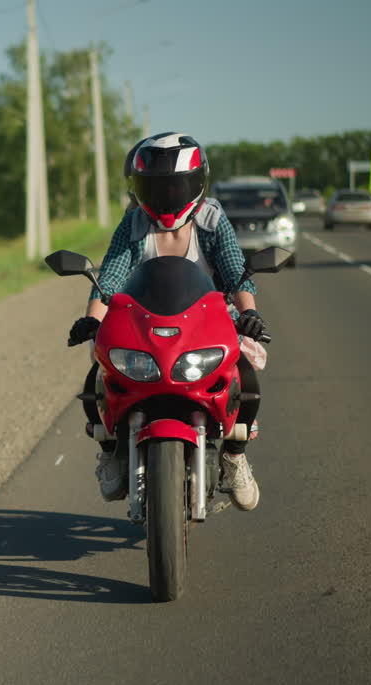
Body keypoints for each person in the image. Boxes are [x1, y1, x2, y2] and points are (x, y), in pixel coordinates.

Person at [68, 132, 266, 510]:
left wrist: (249, 312)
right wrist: (91, 321)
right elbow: (108, 278)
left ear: (196, 184)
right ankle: (110, 449)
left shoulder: (211, 218)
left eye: (177, 185)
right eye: (158, 187)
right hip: (143, 320)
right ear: (141, 188)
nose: (168, 194)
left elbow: (236, 269)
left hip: (208, 319)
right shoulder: (133, 224)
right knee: (98, 377)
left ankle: (235, 455)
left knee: (246, 377)